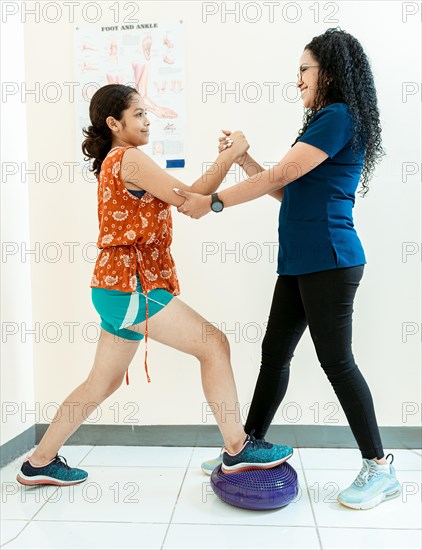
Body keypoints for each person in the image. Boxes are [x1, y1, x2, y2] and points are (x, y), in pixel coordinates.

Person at [16, 84, 293, 488]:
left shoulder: (118, 161)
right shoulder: (129, 158)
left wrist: (229, 159)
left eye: (147, 113)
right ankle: (237, 449)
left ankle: (38, 462)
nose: (148, 121)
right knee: (213, 344)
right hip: (131, 286)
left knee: (101, 382)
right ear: (115, 123)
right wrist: (231, 156)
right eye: (139, 114)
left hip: (117, 288)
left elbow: (188, 197)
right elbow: (189, 197)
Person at [174, 28, 401, 510]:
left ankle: (380, 469)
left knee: (337, 362)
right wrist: (242, 158)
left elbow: (282, 176)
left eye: (304, 69)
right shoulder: (323, 120)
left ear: (331, 73)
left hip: (330, 260)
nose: (296, 79)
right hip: (302, 261)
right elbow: (286, 189)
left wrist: (211, 202)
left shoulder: (338, 116)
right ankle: (246, 448)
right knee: (274, 354)